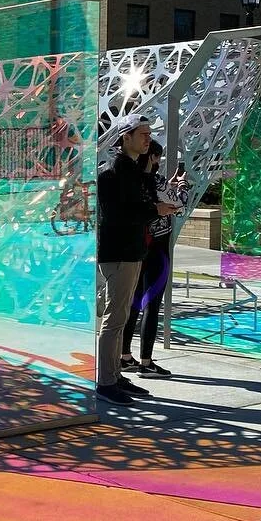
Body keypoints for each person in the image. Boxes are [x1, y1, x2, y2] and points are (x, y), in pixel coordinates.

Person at [96, 116, 180, 403]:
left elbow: (138, 205)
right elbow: (121, 215)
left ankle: (117, 376)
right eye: (142, 134)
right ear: (125, 138)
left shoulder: (133, 172)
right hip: (119, 253)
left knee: (119, 318)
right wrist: (156, 209)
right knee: (114, 318)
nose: (148, 139)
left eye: (149, 134)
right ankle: (106, 382)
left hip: (132, 253)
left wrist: (154, 202)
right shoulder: (113, 175)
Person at [122, 141, 189, 377]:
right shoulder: (156, 181)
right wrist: (182, 185)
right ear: (152, 157)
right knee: (152, 303)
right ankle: (146, 362)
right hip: (158, 248)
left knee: (133, 302)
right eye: (157, 157)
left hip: (137, 246)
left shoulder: (134, 180)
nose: (159, 162)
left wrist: (169, 186)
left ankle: (124, 356)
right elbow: (181, 202)